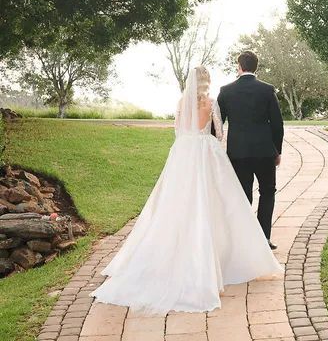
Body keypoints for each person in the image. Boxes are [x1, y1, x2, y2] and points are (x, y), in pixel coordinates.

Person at [91, 66, 281, 314]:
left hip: (183, 153)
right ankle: (225, 256)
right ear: (206, 82)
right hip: (206, 153)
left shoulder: (181, 102)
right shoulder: (211, 103)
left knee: (178, 202)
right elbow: (220, 133)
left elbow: (177, 131)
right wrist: (208, 141)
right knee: (218, 203)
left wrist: (189, 142)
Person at [216, 50, 284, 249]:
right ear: (256, 67)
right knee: (268, 192)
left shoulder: (226, 90)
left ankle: (245, 241)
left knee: (243, 195)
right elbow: (277, 124)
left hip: (238, 153)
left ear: (239, 66)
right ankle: (264, 238)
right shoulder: (267, 90)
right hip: (264, 152)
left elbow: (217, 123)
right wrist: (277, 151)